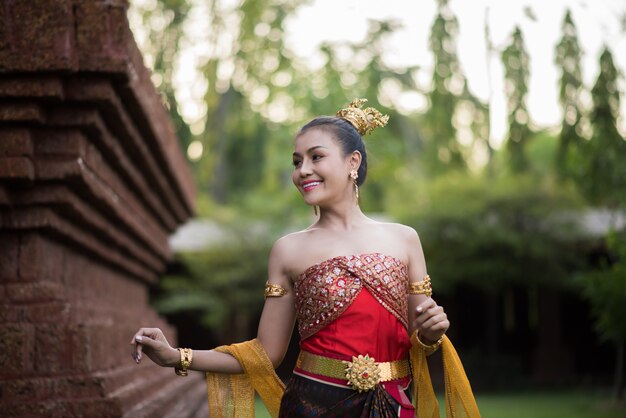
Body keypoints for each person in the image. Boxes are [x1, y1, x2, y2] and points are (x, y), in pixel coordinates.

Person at [131, 99, 480, 417]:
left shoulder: (404, 240)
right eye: (297, 162)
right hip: (313, 406)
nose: (302, 171)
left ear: (352, 163)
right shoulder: (288, 250)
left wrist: (433, 334)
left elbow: (422, 339)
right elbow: (265, 355)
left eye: (316, 157)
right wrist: (177, 356)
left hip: (391, 405)